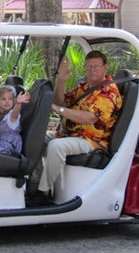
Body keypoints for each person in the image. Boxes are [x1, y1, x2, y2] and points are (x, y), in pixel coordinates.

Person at [32, 50, 123, 204]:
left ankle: (43, 192)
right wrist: (61, 82)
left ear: (105, 68)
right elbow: (62, 102)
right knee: (36, 138)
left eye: (96, 66)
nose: (92, 70)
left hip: (92, 141)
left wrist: (58, 110)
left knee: (56, 146)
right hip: (71, 135)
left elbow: (89, 118)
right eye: (89, 67)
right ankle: (34, 184)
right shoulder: (84, 87)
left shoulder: (109, 93)